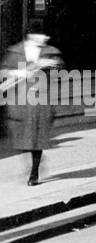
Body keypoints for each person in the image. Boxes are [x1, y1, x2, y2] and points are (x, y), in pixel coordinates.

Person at [1, 21, 63, 186]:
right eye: (43, 34)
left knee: (37, 139)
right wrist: (19, 72)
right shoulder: (15, 51)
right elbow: (4, 71)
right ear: (32, 35)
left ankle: (34, 173)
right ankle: (31, 165)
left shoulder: (50, 52)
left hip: (40, 102)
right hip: (20, 102)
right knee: (21, 138)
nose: (46, 38)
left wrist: (50, 65)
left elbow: (60, 71)